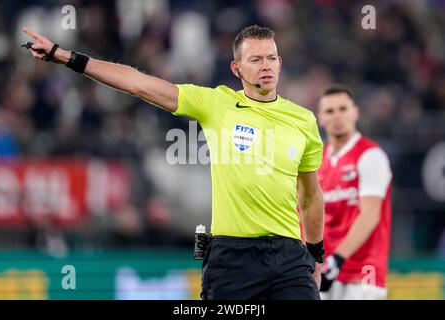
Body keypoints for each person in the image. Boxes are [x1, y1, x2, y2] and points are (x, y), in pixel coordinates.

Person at [22, 25, 325, 300]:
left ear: (280, 62)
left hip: (288, 256)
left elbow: (310, 197)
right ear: (237, 68)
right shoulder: (216, 104)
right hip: (232, 257)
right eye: (255, 60)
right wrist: (66, 57)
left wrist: (315, 253)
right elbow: (138, 83)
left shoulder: (303, 120)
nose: (266, 66)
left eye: (271, 58)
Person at [317, 84, 392, 300]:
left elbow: (370, 214)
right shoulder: (316, 161)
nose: (337, 116)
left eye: (343, 109)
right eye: (330, 111)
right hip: (326, 273)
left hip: (363, 273)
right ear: (320, 118)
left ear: (355, 112)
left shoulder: (371, 156)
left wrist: (338, 259)